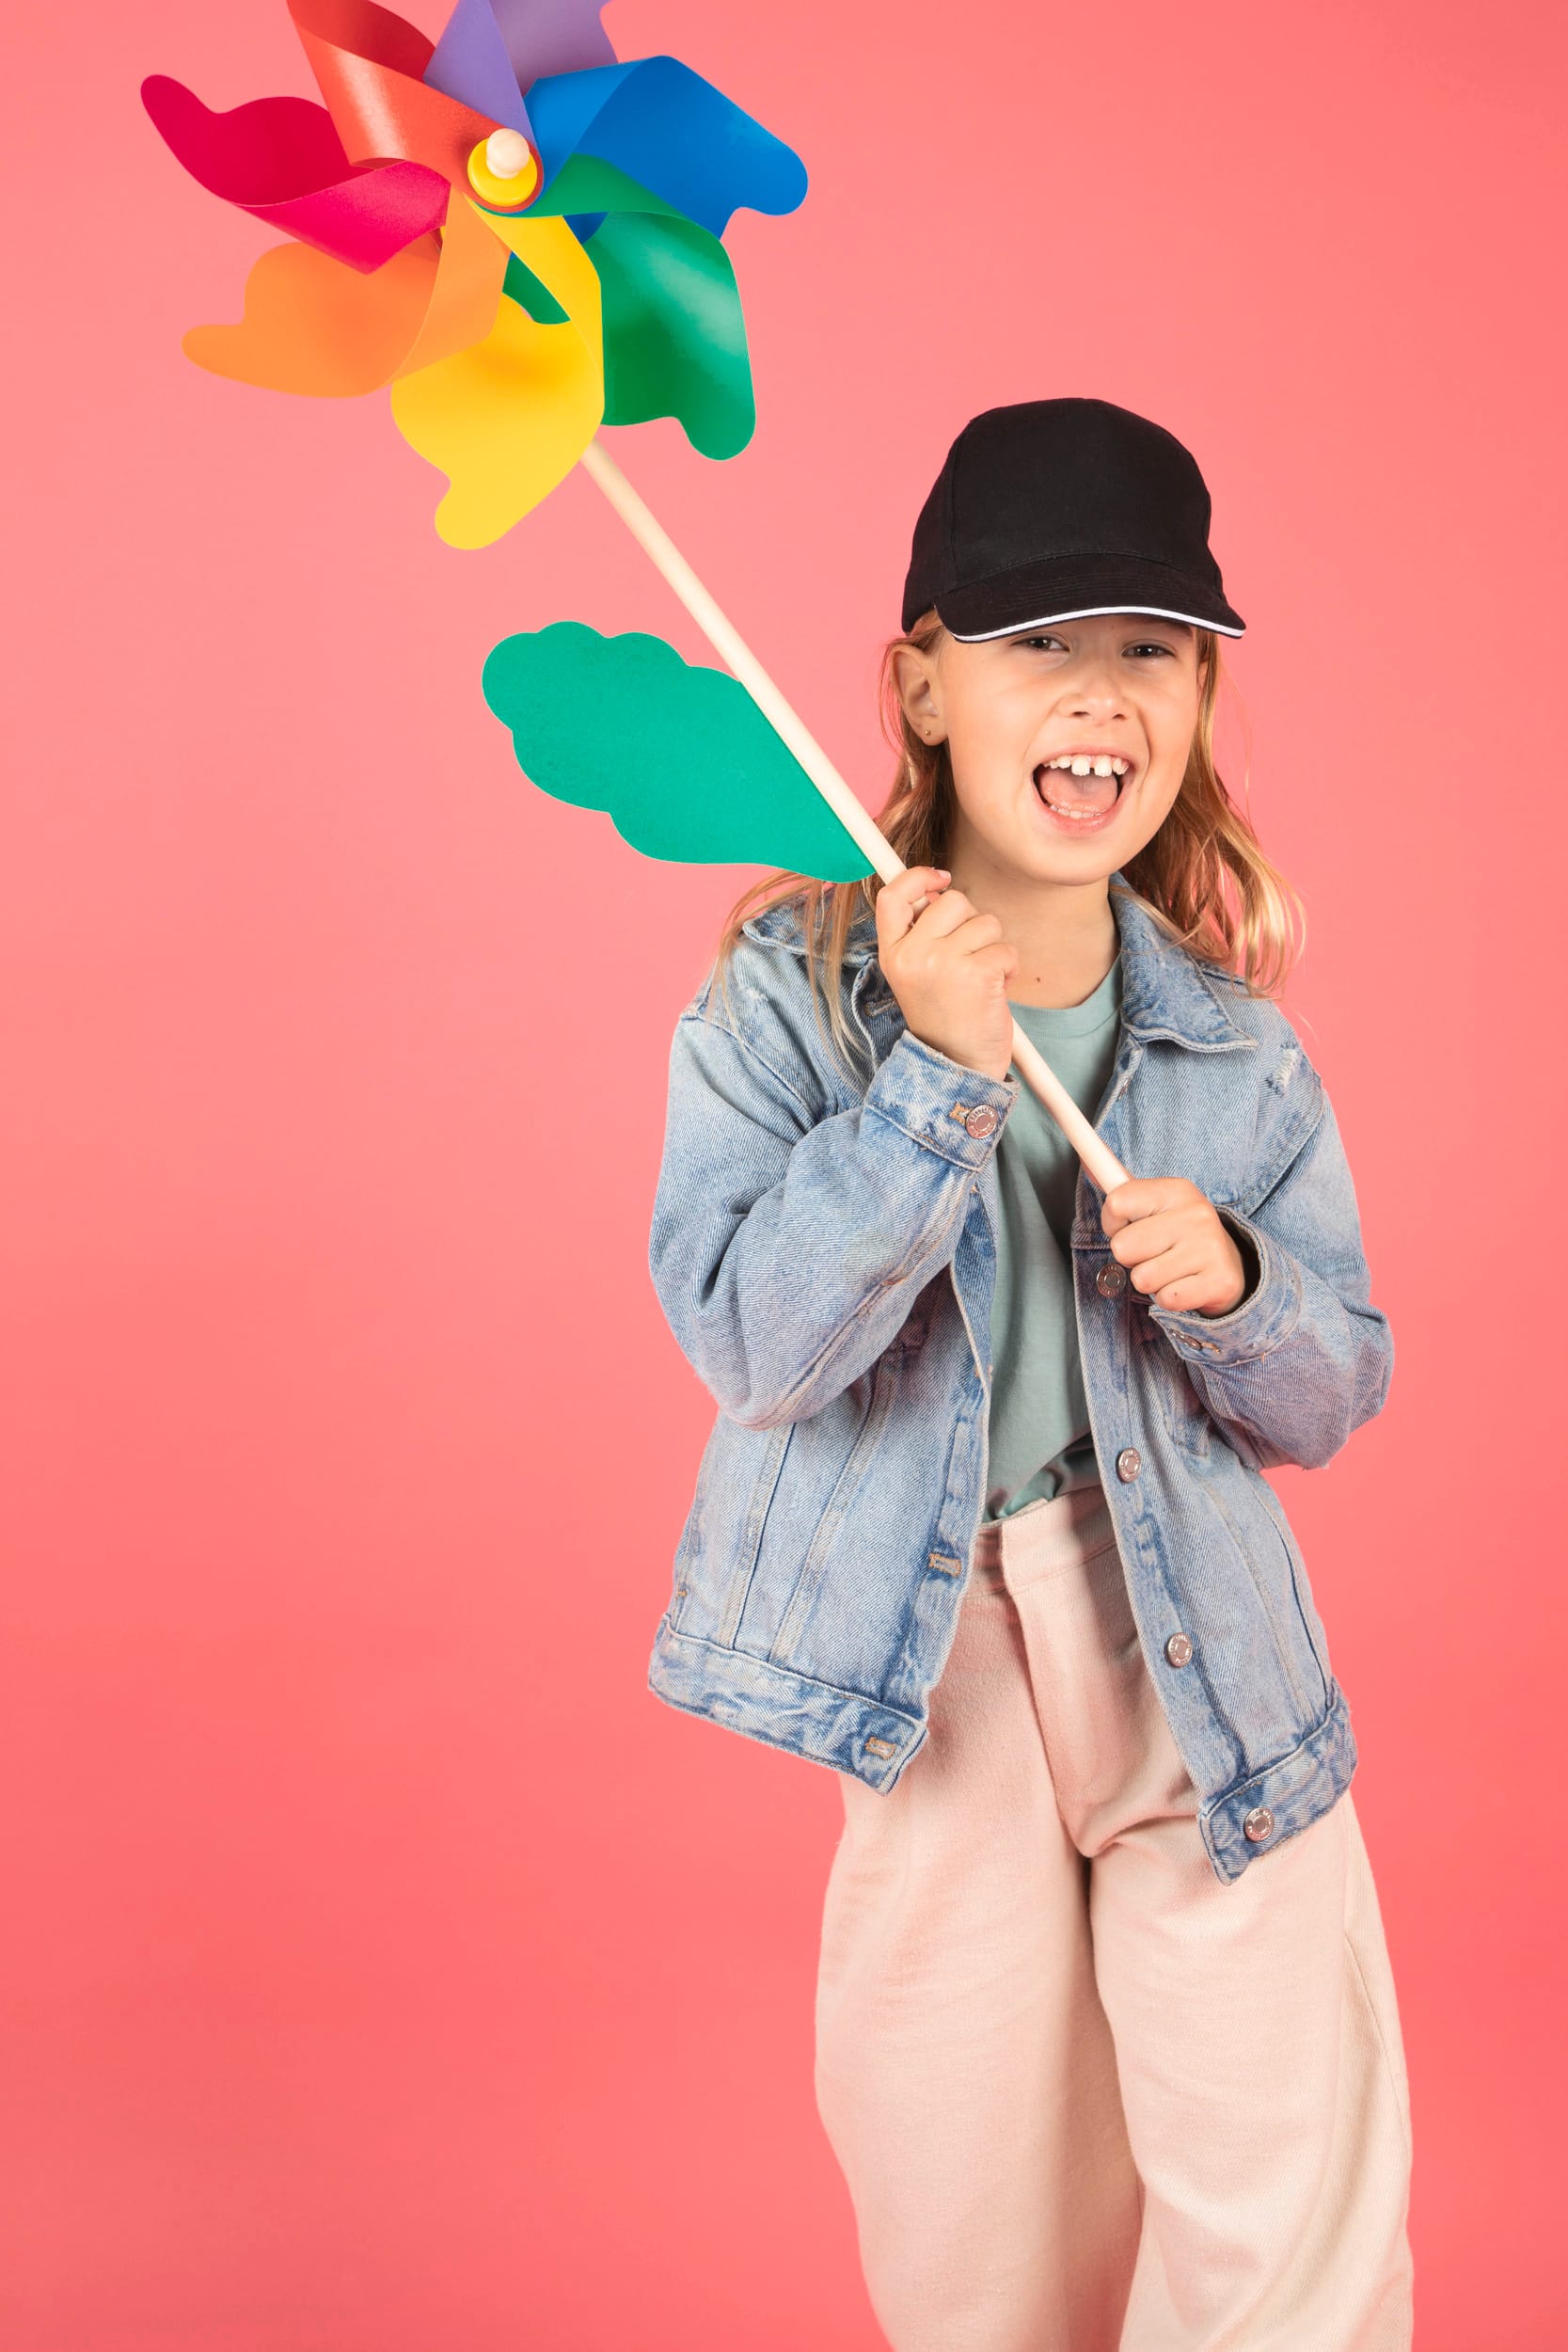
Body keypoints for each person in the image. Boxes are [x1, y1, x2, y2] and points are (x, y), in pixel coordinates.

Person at [644, 398, 1414, 2351]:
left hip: (1200, 1664)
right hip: (937, 1669)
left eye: (1149, 646)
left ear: (1202, 692)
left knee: (1282, 2202)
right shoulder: (784, 1002)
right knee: (977, 2222)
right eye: (1036, 640)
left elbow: (1330, 1392)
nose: (1100, 694)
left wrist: (1238, 1281)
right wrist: (933, 1075)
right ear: (918, 678)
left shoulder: (1234, 1048)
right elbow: (757, 1344)